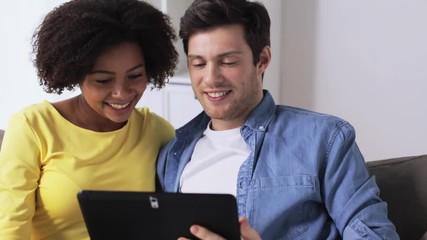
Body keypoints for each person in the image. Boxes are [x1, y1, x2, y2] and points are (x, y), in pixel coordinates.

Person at [156, 0, 399, 239]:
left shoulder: (325, 139)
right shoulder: (172, 155)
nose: (210, 78)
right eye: (198, 64)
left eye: (228, 62)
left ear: (262, 60)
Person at [0, 0, 178, 239]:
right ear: (75, 73)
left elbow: (174, 215)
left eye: (135, 76)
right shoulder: (33, 127)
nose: (122, 93)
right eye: (103, 81)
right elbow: (10, 226)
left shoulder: (157, 132)